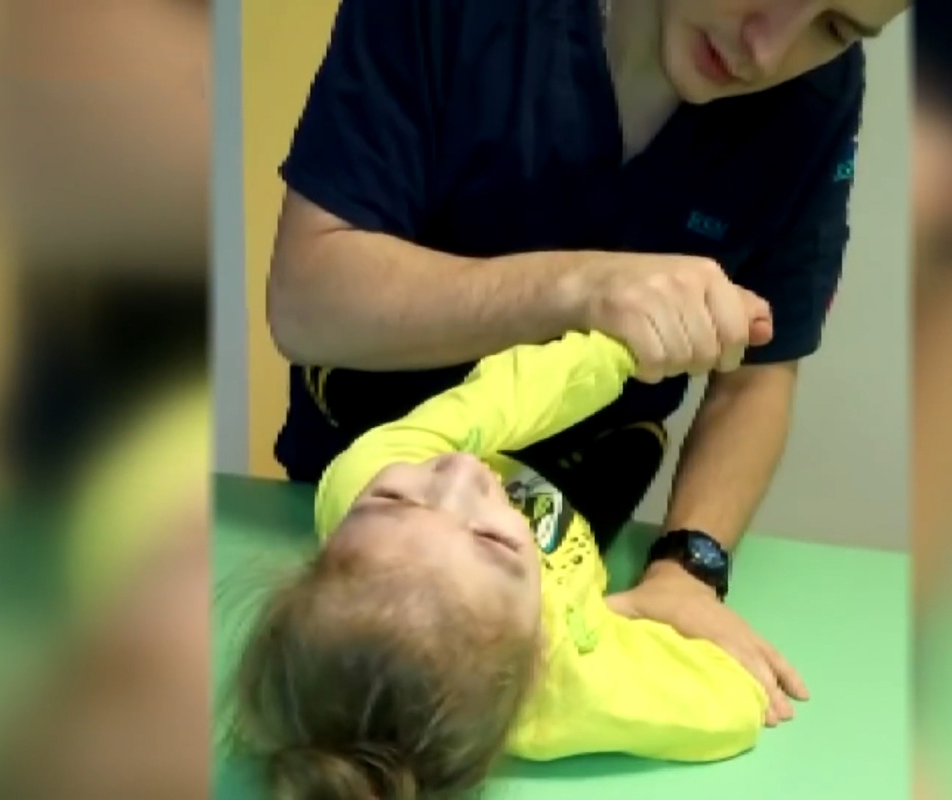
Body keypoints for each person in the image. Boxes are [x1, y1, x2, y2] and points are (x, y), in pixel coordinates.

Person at [268, 0, 908, 726]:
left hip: (577, 562)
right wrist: (580, 289)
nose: (767, 51)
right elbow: (308, 298)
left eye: (836, 27)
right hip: (358, 527)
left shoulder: (816, 95)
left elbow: (758, 376)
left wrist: (688, 569)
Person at [231, 330, 774, 800]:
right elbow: (736, 703)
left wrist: (619, 348)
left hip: (513, 439)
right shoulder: (569, 691)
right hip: (578, 510)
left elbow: (496, 398)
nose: (461, 471)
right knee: (631, 449)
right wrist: (613, 624)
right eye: (490, 539)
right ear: (535, 656)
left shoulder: (361, 476)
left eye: (392, 500)